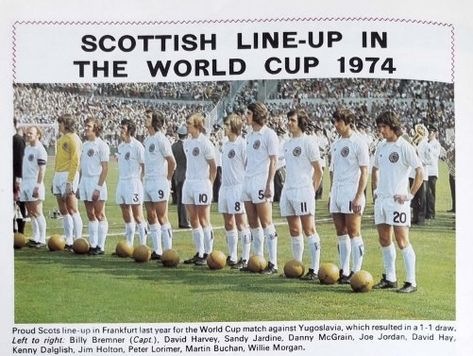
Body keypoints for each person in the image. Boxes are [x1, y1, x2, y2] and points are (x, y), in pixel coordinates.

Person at [372, 111, 423, 293]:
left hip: (398, 201)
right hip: (382, 200)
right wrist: (375, 191)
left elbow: (420, 172)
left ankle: (411, 282)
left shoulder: (404, 146)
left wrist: (409, 195)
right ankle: (390, 278)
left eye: (384, 127)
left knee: (402, 241)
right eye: (379, 128)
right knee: (385, 239)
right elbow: (375, 169)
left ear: (393, 126)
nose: (381, 131)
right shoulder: (381, 146)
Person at [281, 110, 323, 280]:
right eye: (288, 120)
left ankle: (314, 269)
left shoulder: (308, 142)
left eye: (292, 120)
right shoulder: (287, 143)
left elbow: (319, 171)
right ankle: (297, 267)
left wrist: (311, 191)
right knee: (294, 229)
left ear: (300, 123)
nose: (289, 123)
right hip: (288, 190)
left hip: (303, 190)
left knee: (309, 229)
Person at [328, 108, 369, 283]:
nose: (335, 125)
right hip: (337, 191)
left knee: (354, 231)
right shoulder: (336, 144)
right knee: (341, 232)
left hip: (351, 191)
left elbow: (364, 171)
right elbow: (332, 170)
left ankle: (356, 271)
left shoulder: (358, 142)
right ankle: (344, 270)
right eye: (334, 122)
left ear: (348, 122)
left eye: (338, 122)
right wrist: (331, 192)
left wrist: (359, 196)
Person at [241, 102, 279, 274]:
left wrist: (269, 183)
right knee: (252, 223)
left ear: (256, 114)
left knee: (266, 223)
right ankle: (257, 260)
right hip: (248, 181)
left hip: (261, 181)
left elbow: (273, 160)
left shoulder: (269, 134)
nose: (246, 116)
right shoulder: (249, 135)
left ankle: (273, 263)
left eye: (248, 113)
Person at [182, 113, 217, 266]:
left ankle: (209, 253)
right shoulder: (187, 142)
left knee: (204, 219)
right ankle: (200, 252)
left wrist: (209, 183)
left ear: (197, 125)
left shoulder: (205, 143)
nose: (186, 126)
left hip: (202, 183)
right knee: (193, 219)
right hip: (189, 183)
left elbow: (213, 167)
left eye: (189, 123)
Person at [218, 113, 251, 268]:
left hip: (238, 187)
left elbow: (247, 166)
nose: (224, 128)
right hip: (225, 187)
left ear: (233, 127)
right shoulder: (225, 144)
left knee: (241, 223)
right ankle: (232, 256)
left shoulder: (242, 144)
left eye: (226, 125)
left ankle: (244, 258)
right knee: (228, 223)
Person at [143, 110, 176, 260]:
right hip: (148, 181)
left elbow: (172, 162)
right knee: (151, 216)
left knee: (162, 217)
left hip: (159, 181)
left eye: (148, 117)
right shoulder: (147, 140)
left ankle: (168, 251)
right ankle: (158, 250)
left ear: (155, 120)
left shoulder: (161, 139)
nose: (145, 119)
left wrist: (168, 180)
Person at [78, 117, 110, 255]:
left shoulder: (102, 145)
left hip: (96, 181)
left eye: (89, 126)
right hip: (85, 181)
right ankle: (93, 244)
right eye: (85, 126)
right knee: (90, 215)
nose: (86, 128)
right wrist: (79, 185)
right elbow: (82, 167)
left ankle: (101, 247)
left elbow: (105, 168)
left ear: (96, 128)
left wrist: (98, 187)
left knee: (100, 214)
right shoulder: (84, 145)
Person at [52, 114, 83, 249]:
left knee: (72, 209)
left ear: (67, 124)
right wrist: (54, 178)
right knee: (63, 210)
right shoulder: (61, 139)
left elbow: (75, 161)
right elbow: (59, 160)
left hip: (68, 176)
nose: (59, 125)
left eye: (61, 123)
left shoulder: (74, 139)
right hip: (58, 175)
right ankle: (69, 240)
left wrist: (70, 181)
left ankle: (79, 239)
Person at [116, 119, 146, 247]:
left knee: (138, 216)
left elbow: (144, 165)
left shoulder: (138, 146)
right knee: (126, 213)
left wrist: (142, 182)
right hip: (122, 182)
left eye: (123, 128)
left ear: (130, 130)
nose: (121, 131)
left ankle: (143, 245)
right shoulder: (121, 146)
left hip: (134, 183)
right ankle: (129, 243)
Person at [20, 126, 48, 247]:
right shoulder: (27, 148)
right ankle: (35, 236)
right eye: (27, 133)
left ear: (38, 135)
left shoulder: (40, 150)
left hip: (34, 182)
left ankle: (42, 239)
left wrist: (37, 185)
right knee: (30, 212)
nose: (28, 135)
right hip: (25, 182)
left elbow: (42, 169)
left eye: (31, 133)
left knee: (37, 211)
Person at [172, 126, 191, 228]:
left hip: (177, 175)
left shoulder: (174, 146)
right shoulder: (188, 146)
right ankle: (185, 221)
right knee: (185, 200)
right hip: (186, 175)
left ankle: (181, 221)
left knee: (179, 199)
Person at [425, 125, 441, 220]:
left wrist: (427, 146)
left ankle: (431, 213)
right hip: (426, 171)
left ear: (434, 133)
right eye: (428, 132)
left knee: (431, 193)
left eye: (430, 132)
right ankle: (427, 212)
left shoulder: (436, 144)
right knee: (426, 193)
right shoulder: (427, 143)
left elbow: (435, 154)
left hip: (432, 171)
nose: (429, 134)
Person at [13, 119, 26, 234]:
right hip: (8, 177)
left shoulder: (17, 139)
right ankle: (13, 229)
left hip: (15, 177)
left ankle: (20, 231)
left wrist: (18, 178)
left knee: (19, 203)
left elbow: (21, 160)